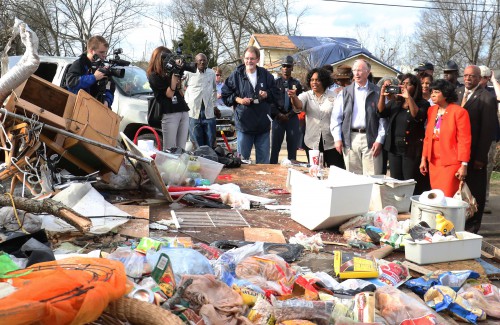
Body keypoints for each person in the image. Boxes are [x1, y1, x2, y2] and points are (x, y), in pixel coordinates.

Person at [456, 65, 498, 233]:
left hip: (475, 154)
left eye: (472, 76)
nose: (468, 79)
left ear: (479, 78)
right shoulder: (458, 94)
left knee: (475, 192)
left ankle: (472, 228)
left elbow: (487, 130)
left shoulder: (486, 98)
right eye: (465, 75)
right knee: (460, 191)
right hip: (459, 153)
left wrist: (481, 157)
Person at [221, 46, 279, 164]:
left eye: (252, 58)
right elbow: (225, 95)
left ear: (257, 59)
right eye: (247, 58)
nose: (249, 61)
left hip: (262, 125)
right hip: (244, 125)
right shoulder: (236, 75)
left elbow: (277, 94)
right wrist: (239, 100)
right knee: (242, 162)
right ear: (243, 59)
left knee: (263, 163)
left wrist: (266, 94)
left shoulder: (265, 75)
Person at [330, 59, 386, 175]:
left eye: (360, 70)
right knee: (353, 178)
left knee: (373, 178)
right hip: (350, 138)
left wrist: (380, 140)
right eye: (354, 70)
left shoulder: (377, 92)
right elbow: (336, 117)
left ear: (368, 72)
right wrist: (337, 139)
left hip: (371, 138)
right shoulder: (344, 92)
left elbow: (383, 119)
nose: (356, 73)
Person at [378, 73, 430, 195]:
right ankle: (399, 207)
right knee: (396, 181)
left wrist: (408, 98)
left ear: (415, 87)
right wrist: (382, 96)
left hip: (411, 149)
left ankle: (410, 209)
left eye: (408, 84)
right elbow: (381, 112)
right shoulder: (395, 102)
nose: (404, 86)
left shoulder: (423, 103)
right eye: (403, 83)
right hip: (394, 147)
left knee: (409, 181)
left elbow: (416, 115)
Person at [419, 79, 471, 198]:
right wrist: (424, 158)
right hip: (433, 162)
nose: (432, 94)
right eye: (432, 91)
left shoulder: (459, 112)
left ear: (446, 93)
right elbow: (427, 137)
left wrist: (464, 165)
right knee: (436, 196)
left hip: (450, 163)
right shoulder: (432, 110)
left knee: (447, 197)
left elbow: (465, 140)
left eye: (436, 92)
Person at [288, 68, 342, 168]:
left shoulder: (334, 96)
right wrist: (293, 97)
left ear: (324, 81)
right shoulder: (306, 95)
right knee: (315, 172)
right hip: (312, 143)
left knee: (335, 171)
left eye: (317, 80)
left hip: (331, 143)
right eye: (312, 80)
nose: (314, 82)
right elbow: (299, 106)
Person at [147, 46, 189, 150]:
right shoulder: (154, 76)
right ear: (158, 59)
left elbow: (181, 94)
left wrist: (179, 76)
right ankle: (169, 166)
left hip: (183, 110)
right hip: (169, 112)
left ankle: (181, 166)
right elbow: (169, 94)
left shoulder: (170, 73)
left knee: (181, 149)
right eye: (165, 58)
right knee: (170, 149)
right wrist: (174, 75)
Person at [270, 56, 303, 164]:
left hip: (292, 118)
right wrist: (278, 114)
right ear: (281, 68)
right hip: (278, 118)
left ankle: (291, 170)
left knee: (292, 148)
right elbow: (271, 102)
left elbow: (299, 103)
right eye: (284, 66)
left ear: (292, 68)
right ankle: (272, 171)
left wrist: (289, 115)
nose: (286, 68)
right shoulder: (275, 83)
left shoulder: (296, 84)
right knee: (275, 148)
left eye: (288, 66)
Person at [66, 35, 114, 108]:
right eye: (101, 52)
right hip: (78, 108)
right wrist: (94, 77)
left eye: (105, 52)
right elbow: (71, 82)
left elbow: (109, 88)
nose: (104, 55)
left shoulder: (102, 67)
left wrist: (107, 101)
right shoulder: (79, 64)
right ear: (91, 51)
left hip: (97, 110)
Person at [184, 53, 220, 148]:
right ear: (196, 62)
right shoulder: (188, 73)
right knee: (196, 143)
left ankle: (210, 160)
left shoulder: (211, 73)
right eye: (200, 60)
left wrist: (215, 106)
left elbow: (214, 90)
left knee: (210, 142)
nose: (202, 62)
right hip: (193, 112)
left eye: (204, 60)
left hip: (208, 112)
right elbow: (180, 87)